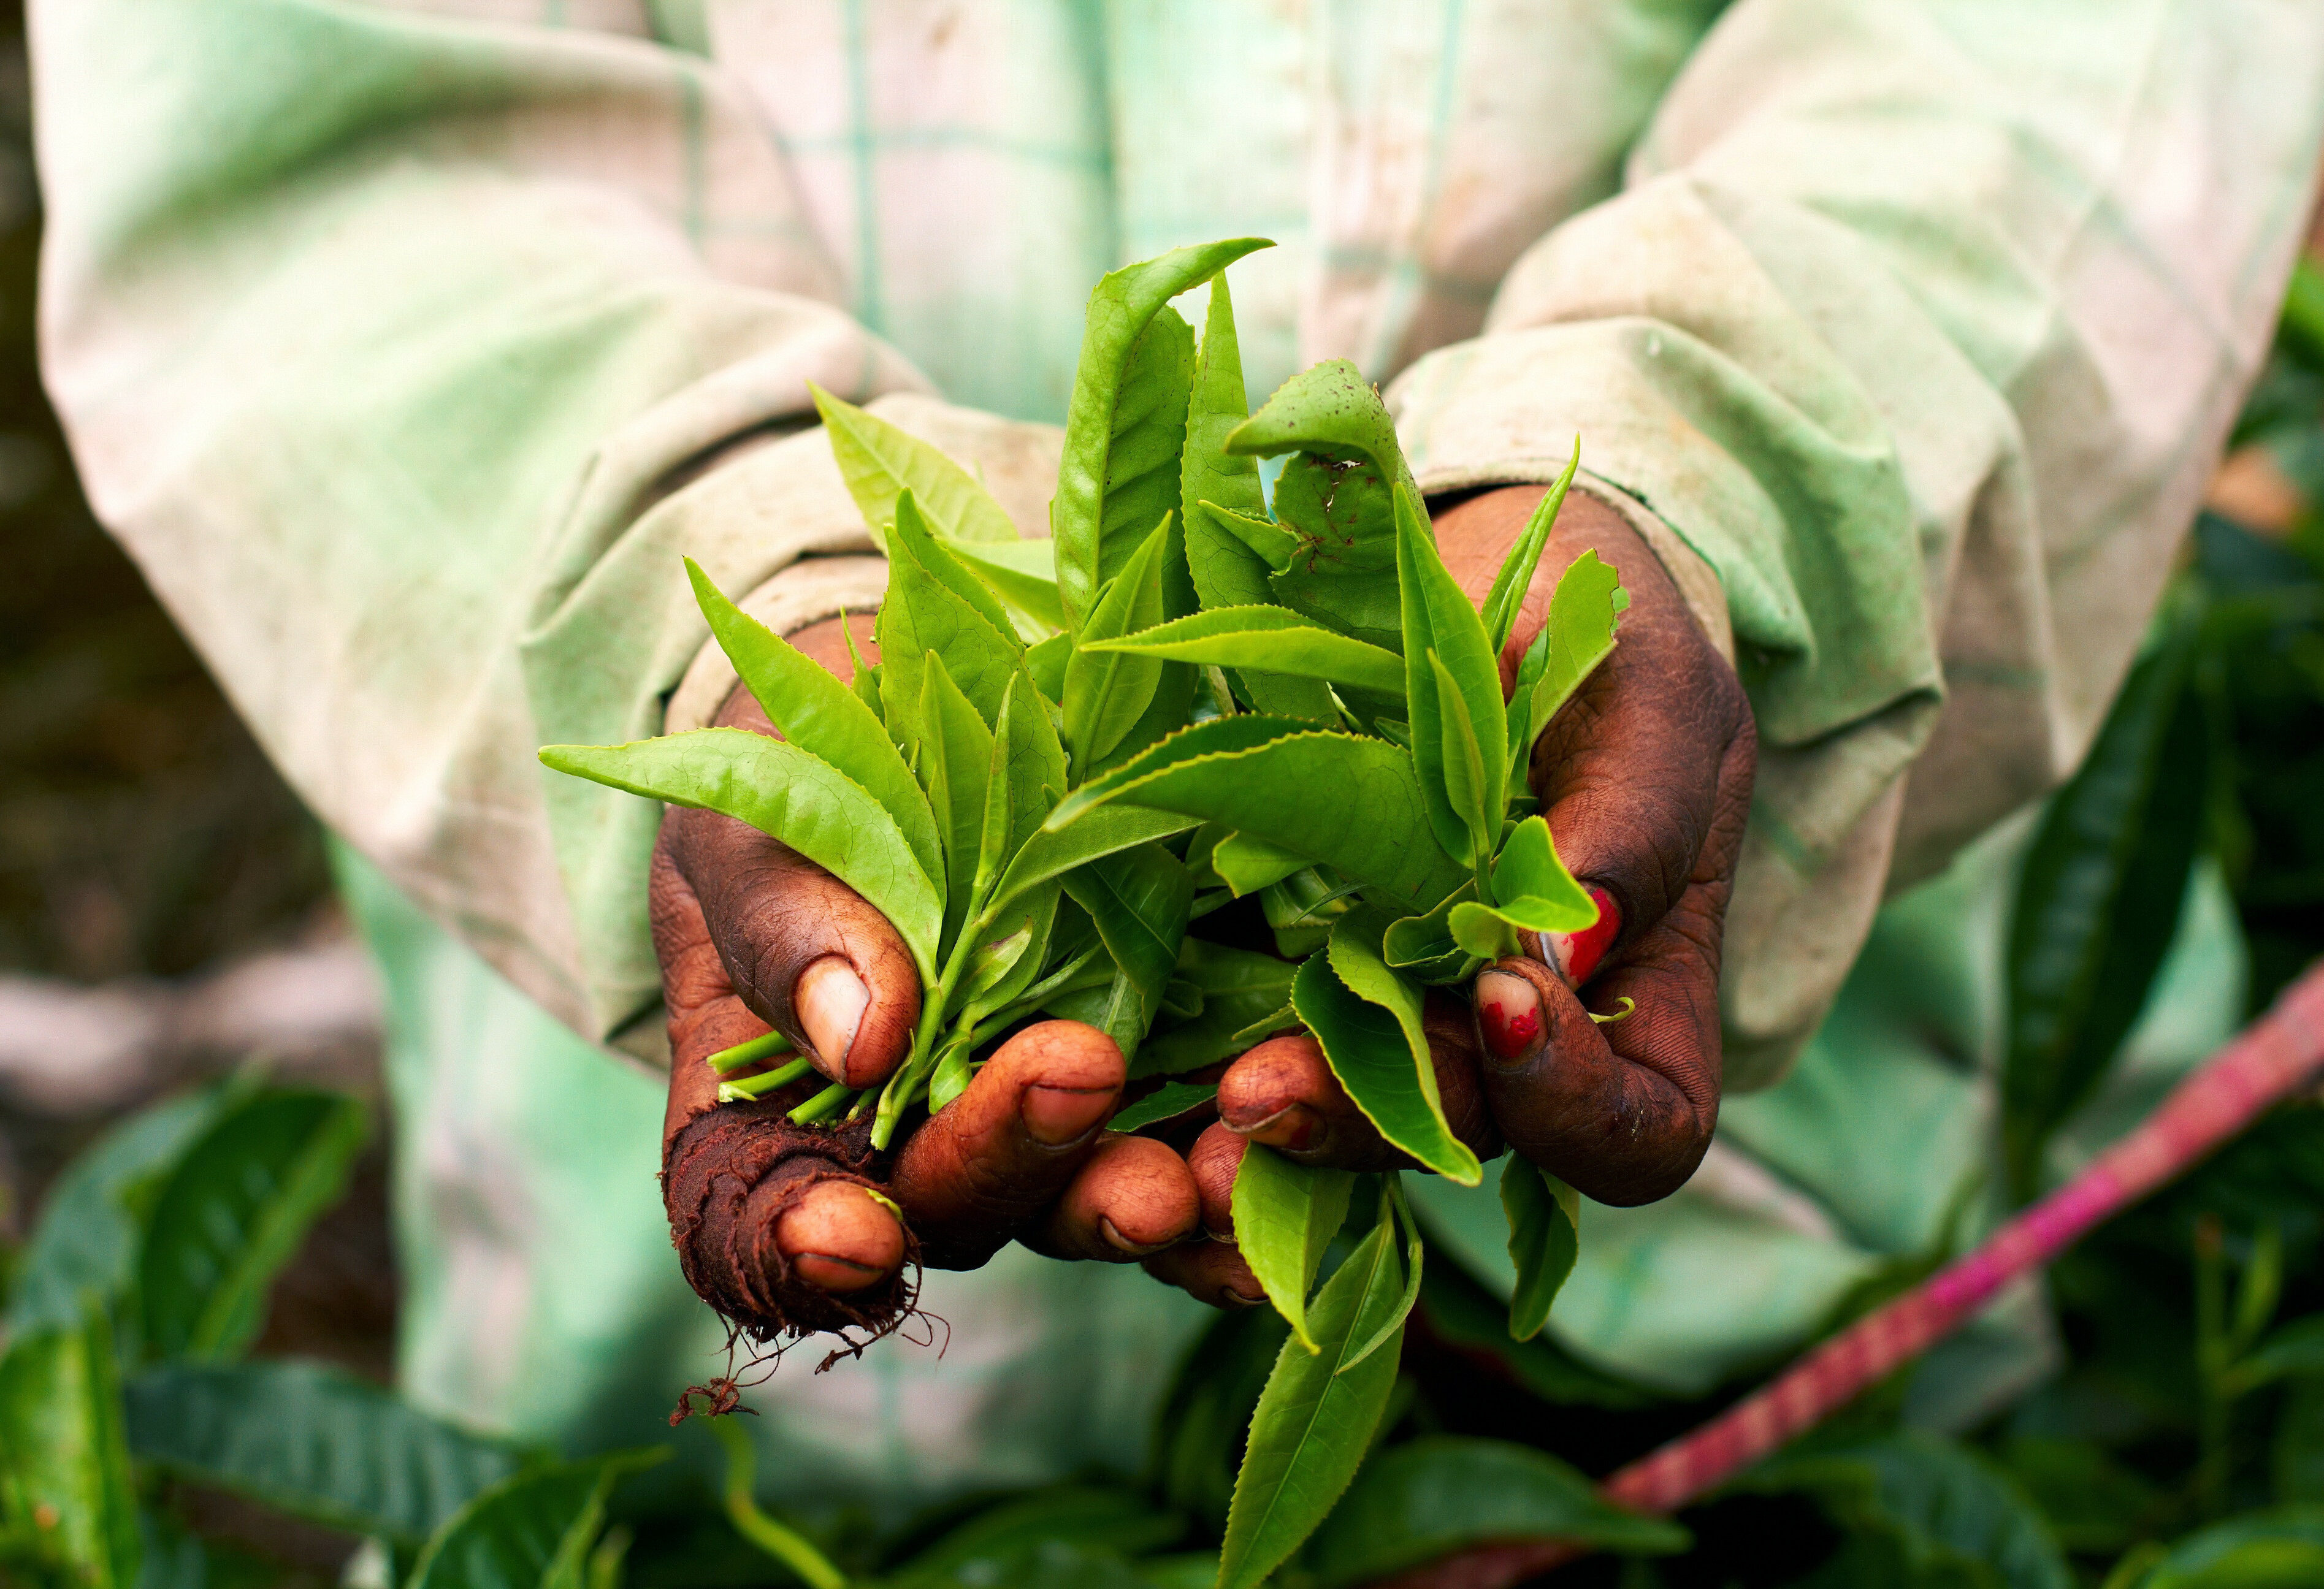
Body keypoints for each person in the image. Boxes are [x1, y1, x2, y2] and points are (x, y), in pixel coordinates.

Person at [28, 0, 2316, 1508]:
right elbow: (314, 170)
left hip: (1839, 1239)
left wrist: (1699, 493)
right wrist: (727, 622)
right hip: (699, 1371)